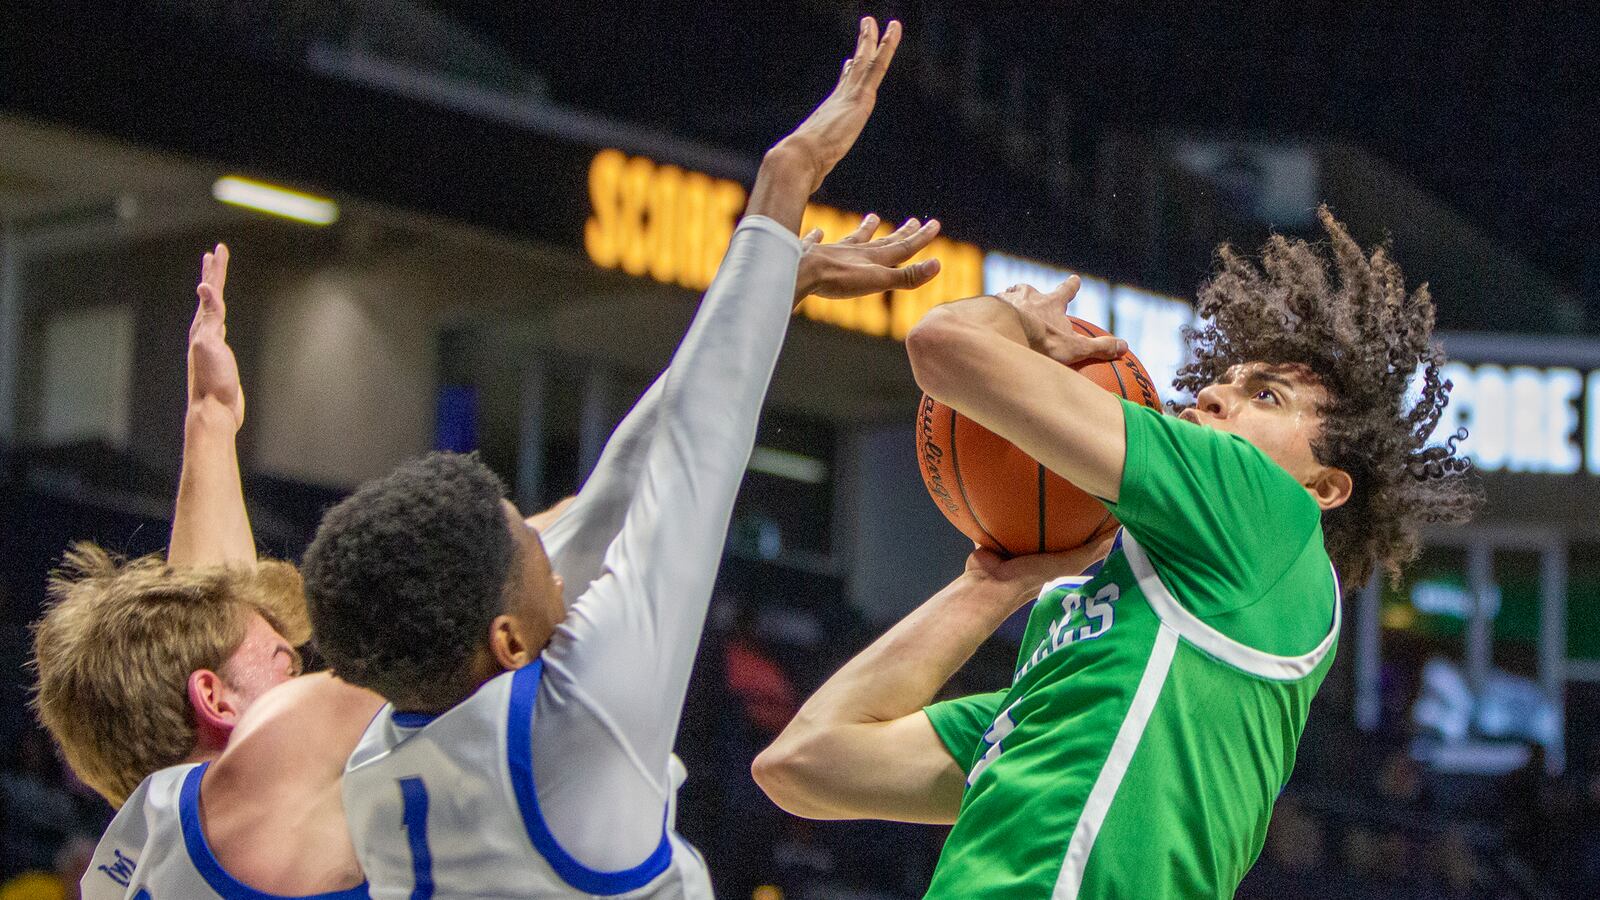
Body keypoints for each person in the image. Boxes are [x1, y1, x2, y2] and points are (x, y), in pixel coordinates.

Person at [300, 18, 928, 898]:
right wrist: (784, 186)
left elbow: (616, 494)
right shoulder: (578, 722)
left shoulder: (388, 752)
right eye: (533, 552)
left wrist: (772, 288)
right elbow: (691, 464)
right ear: (507, 640)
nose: (555, 561)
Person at [754, 207, 1481, 898]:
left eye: (1267, 397)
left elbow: (944, 348)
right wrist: (996, 583)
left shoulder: (1264, 509)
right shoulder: (1082, 647)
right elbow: (804, 764)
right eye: (1214, 389)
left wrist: (1016, 317)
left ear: (1324, 487)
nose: (1212, 402)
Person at [33, 245, 389, 898]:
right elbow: (432, 661)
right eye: (274, 651)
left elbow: (210, 629)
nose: (291, 654)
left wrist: (211, 421)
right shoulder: (256, 822)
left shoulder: (156, 828)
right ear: (215, 699)